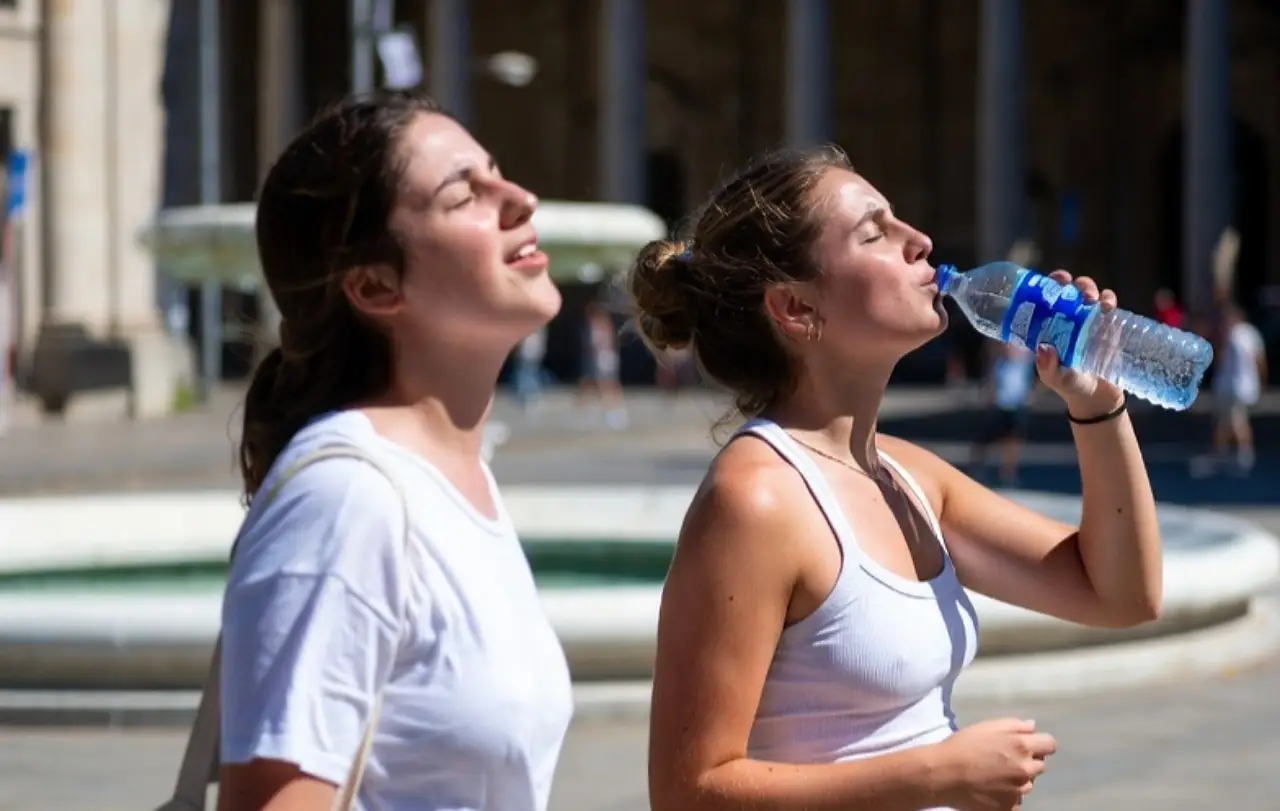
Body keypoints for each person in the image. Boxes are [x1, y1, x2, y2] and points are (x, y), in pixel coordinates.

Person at [629, 145, 1163, 811]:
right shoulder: (756, 499)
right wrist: (937, 774)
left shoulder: (907, 474)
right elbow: (688, 792)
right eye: (875, 232)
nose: (922, 241)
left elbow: (1122, 595)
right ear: (795, 308)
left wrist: (1097, 403)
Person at [217, 91, 573, 811]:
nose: (519, 198)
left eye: (498, 171)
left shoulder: (457, 480)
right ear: (376, 285)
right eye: (462, 193)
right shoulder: (348, 498)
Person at [1211, 301, 1267, 475]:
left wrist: (1261, 380)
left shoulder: (1241, 334)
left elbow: (1257, 359)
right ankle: (1222, 453)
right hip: (1230, 385)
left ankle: (1244, 452)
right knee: (1225, 422)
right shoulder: (1236, 334)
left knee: (1237, 420)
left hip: (1238, 385)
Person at [970, 342, 1037, 486]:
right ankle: (977, 468)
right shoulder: (999, 362)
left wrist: (1031, 394)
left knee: (1013, 440)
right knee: (985, 438)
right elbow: (990, 375)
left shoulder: (1026, 361)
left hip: (1017, 403)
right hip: (999, 403)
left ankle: (1008, 473)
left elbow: (1031, 379)